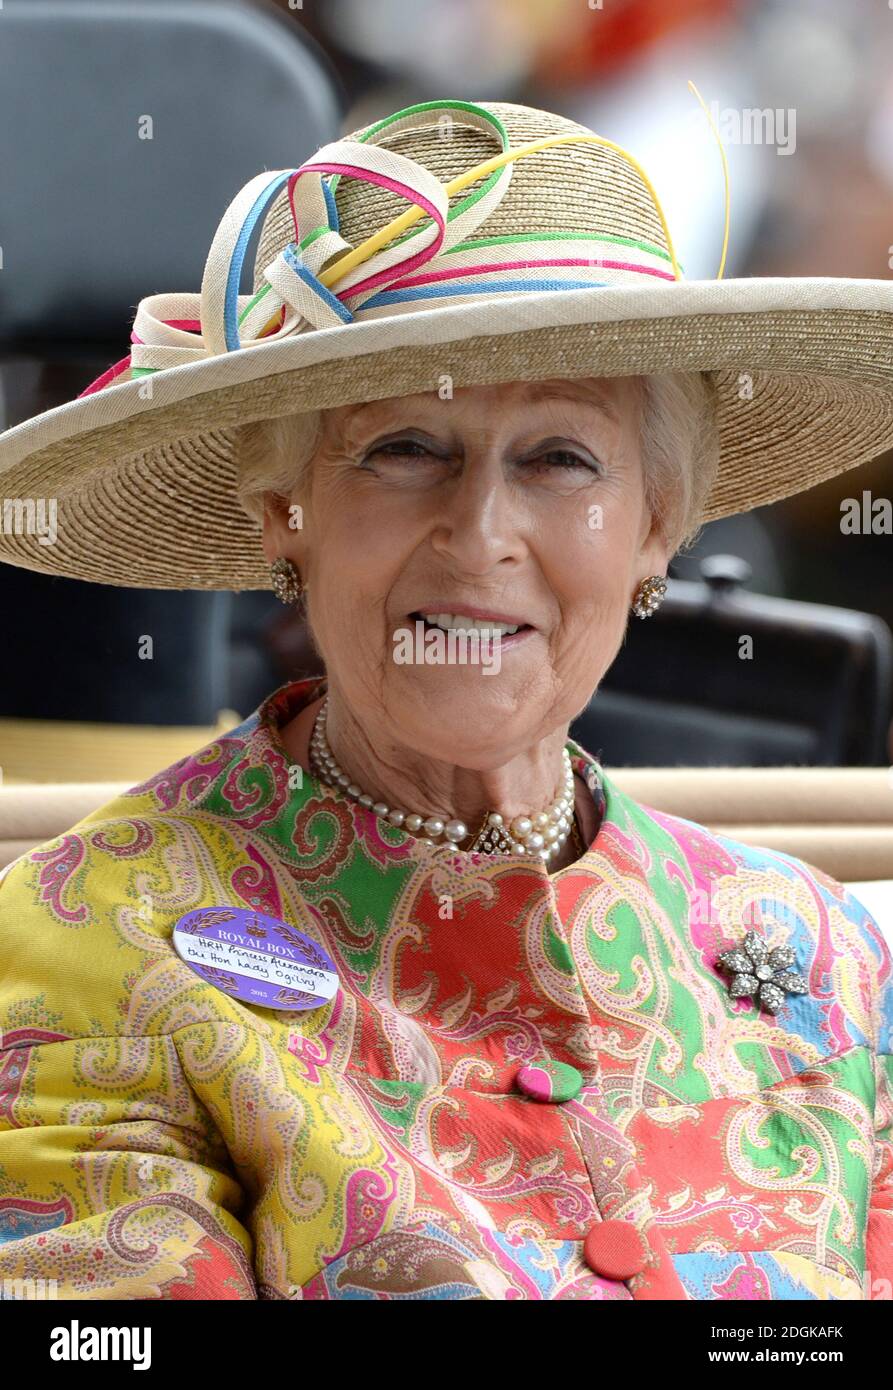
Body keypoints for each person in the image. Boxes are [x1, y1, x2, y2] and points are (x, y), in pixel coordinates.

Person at [0, 98, 890, 1301]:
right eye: (404, 448)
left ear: (657, 526)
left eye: (559, 459)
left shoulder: (831, 962)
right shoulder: (87, 938)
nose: (478, 538)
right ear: (284, 507)